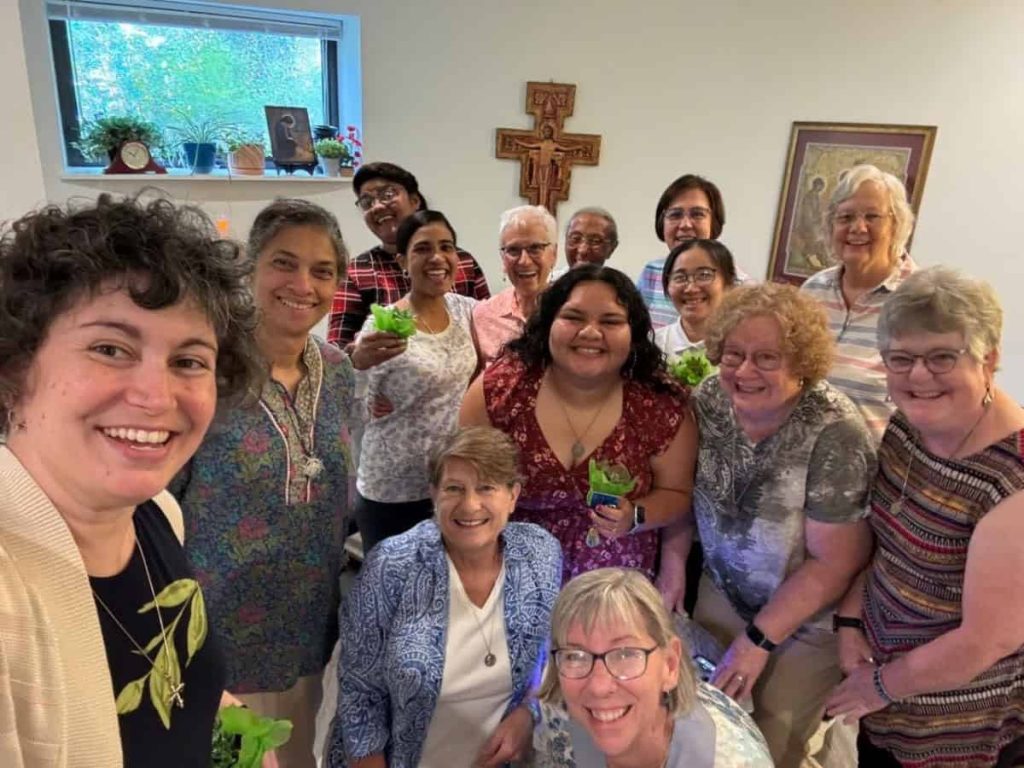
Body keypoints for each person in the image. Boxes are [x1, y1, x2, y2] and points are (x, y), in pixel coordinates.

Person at [0, 195, 264, 767]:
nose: (155, 396)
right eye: (110, 349)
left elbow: (152, 675)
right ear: (16, 366)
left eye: (189, 361)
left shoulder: (155, 513)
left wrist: (214, 714)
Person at [658, 283, 876, 768]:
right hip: (721, 594)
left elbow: (836, 561)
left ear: (801, 362)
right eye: (733, 353)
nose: (744, 371)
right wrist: (673, 563)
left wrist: (757, 641)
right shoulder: (709, 399)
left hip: (803, 624)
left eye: (767, 358)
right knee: (706, 732)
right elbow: (682, 490)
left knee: (768, 748)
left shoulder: (835, 431)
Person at [173, 199, 357, 768]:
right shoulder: (206, 367)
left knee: (297, 752)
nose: (303, 284)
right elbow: (156, 503)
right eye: (284, 263)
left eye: (322, 270)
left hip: (306, 620)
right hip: (215, 627)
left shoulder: (340, 370)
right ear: (250, 268)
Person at [826, 268, 1024, 768]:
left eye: (941, 357)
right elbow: (883, 544)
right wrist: (850, 622)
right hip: (888, 696)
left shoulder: (1012, 480)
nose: (918, 376)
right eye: (902, 359)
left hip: (956, 727)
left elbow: (988, 640)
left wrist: (877, 686)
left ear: (990, 359)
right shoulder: (905, 429)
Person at [328, 426, 562, 768]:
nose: (470, 505)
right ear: (434, 494)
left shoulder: (541, 554)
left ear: (513, 496)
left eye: (486, 487)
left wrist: (529, 712)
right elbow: (359, 692)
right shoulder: (393, 565)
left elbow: (550, 657)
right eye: (454, 488)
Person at [462, 264, 696, 584]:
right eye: (573, 317)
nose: (590, 332)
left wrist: (635, 515)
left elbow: (676, 492)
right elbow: (463, 481)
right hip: (512, 579)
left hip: (613, 589)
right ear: (548, 324)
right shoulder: (501, 390)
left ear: (634, 334)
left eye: (610, 321)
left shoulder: (659, 404)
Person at [531, 567, 772, 767]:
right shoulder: (561, 705)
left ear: (670, 665)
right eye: (576, 655)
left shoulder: (728, 761)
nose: (599, 686)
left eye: (625, 654)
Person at [354, 210, 479, 553]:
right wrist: (358, 367)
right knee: (391, 592)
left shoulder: (466, 311)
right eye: (423, 249)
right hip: (393, 486)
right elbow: (354, 403)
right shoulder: (386, 323)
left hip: (449, 482)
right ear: (403, 261)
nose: (437, 258)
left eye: (447, 247)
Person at [801, 164, 918, 440]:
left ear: (897, 225)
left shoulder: (921, 301)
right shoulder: (811, 291)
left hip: (878, 472)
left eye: (872, 216)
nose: (857, 227)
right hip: (801, 468)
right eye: (845, 217)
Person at [326, 162, 490, 347]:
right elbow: (336, 352)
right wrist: (358, 355)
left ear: (414, 201)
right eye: (366, 202)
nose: (377, 206)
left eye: (387, 194)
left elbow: (488, 331)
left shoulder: (463, 263)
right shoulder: (356, 272)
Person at [636, 174, 745, 329]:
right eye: (675, 214)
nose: (685, 224)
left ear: (714, 222)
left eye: (697, 214)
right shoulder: (651, 273)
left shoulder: (741, 285)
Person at [473, 205, 559, 366]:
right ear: (502, 258)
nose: (524, 261)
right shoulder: (484, 315)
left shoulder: (569, 312)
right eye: (513, 250)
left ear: (554, 254)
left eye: (535, 248)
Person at [654, 238, 738, 357]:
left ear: (729, 284)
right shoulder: (652, 345)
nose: (691, 288)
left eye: (704, 275)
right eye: (680, 277)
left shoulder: (743, 348)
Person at [553, 206, 619, 279]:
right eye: (576, 239)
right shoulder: (549, 286)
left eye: (595, 241)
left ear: (611, 249)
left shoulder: (616, 289)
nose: (582, 250)